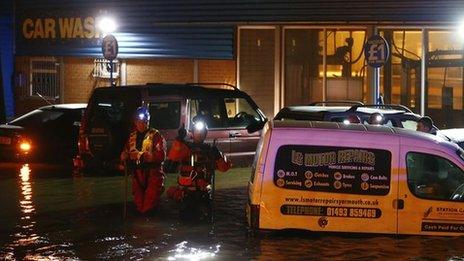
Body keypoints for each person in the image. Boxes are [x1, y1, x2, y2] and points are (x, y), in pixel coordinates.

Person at [165, 117, 231, 219]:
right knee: (186, 218)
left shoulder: (211, 150)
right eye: (197, 131)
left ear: (205, 133)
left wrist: (217, 156)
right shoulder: (185, 147)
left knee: (204, 218)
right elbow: (173, 155)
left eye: (201, 131)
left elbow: (224, 168)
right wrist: (179, 139)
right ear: (192, 132)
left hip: (204, 193)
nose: (199, 134)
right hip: (187, 192)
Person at [120, 106, 166, 214]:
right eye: (139, 121)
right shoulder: (132, 137)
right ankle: (141, 226)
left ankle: (149, 227)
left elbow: (161, 155)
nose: (142, 124)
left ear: (148, 121)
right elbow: (126, 151)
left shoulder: (156, 136)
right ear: (135, 122)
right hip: (137, 174)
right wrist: (123, 156)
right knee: (139, 205)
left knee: (148, 205)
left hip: (153, 173)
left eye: (144, 122)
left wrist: (147, 156)